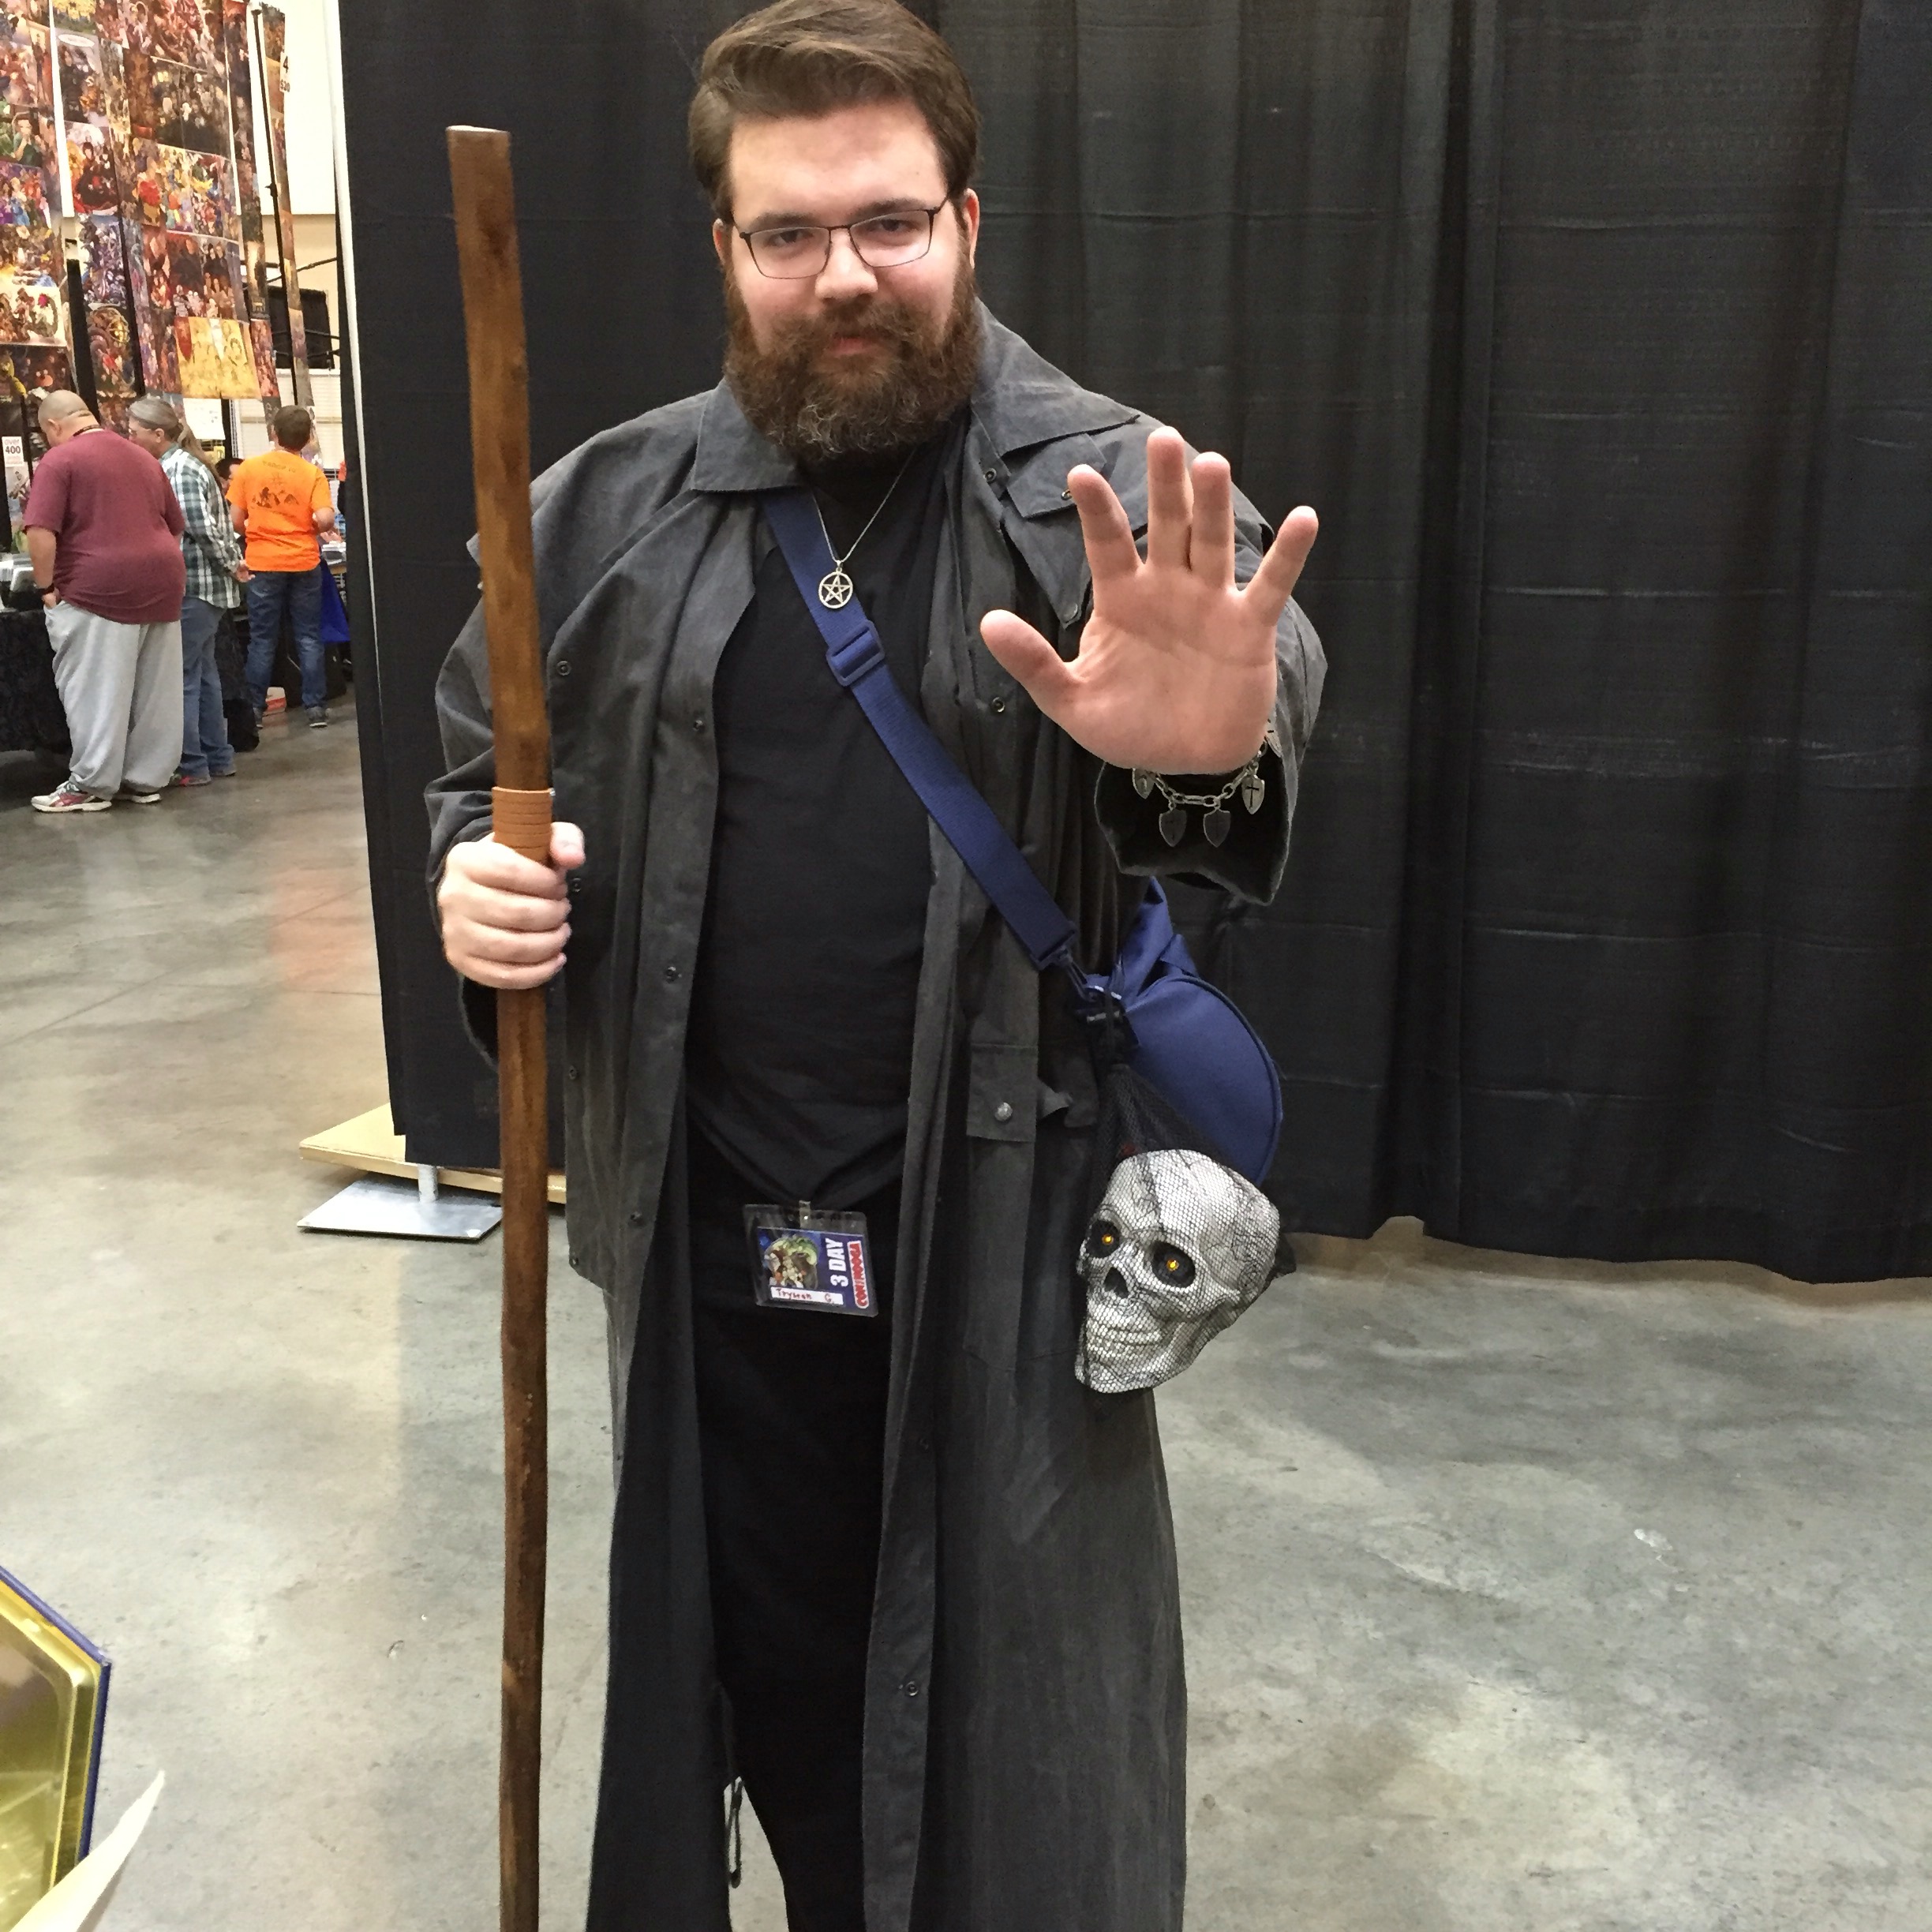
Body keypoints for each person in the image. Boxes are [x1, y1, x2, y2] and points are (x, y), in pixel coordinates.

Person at [428, 4, 1324, 1928]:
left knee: (1012, 1767)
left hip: (991, 1277)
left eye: (890, 223)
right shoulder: (602, 516)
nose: (844, 274)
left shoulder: (1098, 494)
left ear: (966, 224)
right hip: (713, 1271)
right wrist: (470, 885)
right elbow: (473, 768)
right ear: (726, 250)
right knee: (769, 1698)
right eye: (789, 232)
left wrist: (1201, 750)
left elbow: (1245, 685)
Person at [25, 388, 186, 814]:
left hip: (97, 586)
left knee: (95, 689)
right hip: (162, 580)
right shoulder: (143, 457)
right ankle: (146, 779)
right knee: (155, 691)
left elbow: (40, 530)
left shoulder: (60, 460)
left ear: (54, 425)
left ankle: (91, 784)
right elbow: (174, 526)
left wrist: (46, 588)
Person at [129, 394, 247, 784]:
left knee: (181, 679)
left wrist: (232, 565)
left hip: (195, 588)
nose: (130, 438)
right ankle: (218, 756)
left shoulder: (177, 470)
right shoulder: (182, 465)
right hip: (204, 590)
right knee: (204, 675)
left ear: (158, 434)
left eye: (134, 431)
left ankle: (192, 763)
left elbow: (200, 528)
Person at [227, 402, 336, 728]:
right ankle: (315, 708)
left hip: (263, 561)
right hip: (303, 560)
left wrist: (259, 529)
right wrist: (310, 527)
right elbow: (326, 518)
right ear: (307, 438)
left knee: (262, 638)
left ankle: (255, 709)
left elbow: (235, 521)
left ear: (273, 432)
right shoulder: (312, 473)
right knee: (308, 635)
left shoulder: (248, 469)